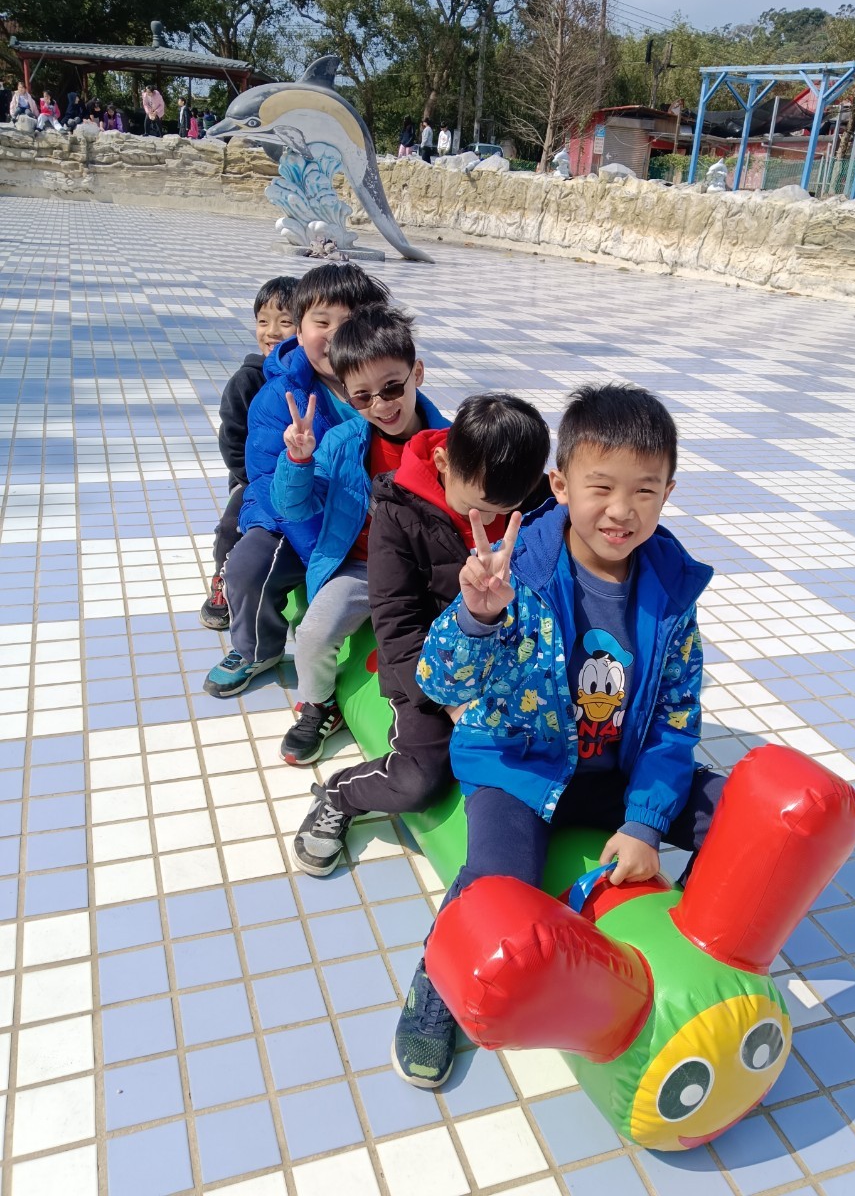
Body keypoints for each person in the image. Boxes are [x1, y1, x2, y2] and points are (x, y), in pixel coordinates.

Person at [392, 383, 726, 1088]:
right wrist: (477, 618)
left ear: (668, 493)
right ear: (560, 485)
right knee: (499, 880)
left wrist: (645, 820)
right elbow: (440, 684)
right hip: (521, 767)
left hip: (615, 772)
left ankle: (698, 944)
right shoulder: (518, 572)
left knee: (733, 816)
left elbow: (675, 719)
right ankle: (438, 980)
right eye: (600, 486)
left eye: (644, 490)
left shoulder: (671, 591)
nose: (621, 510)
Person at [292, 392, 552, 877]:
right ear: (443, 463)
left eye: (505, 508)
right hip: (430, 667)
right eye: (479, 507)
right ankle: (339, 795)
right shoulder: (398, 512)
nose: (491, 521)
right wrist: (446, 699)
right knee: (421, 778)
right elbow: (395, 620)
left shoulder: (531, 499)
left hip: (507, 657)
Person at [270, 304, 448, 766]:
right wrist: (298, 462)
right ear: (349, 398)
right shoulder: (343, 444)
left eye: (392, 388)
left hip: (427, 571)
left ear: (417, 374)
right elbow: (293, 508)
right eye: (364, 397)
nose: (382, 406)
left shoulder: (451, 444)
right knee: (313, 633)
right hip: (362, 568)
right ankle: (318, 705)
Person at [203, 264, 389, 698]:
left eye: (350, 323)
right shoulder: (279, 395)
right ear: (300, 330)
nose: (335, 335)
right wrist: (323, 552)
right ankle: (256, 649)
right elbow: (268, 479)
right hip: (291, 519)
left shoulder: (386, 387)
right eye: (322, 322)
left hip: (362, 522)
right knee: (248, 568)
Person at [199, 276, 298, 630]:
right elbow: (232, 441)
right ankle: (221, 582)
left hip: (296, 478)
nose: (272, 331)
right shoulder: (247, 380)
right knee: (231, 525)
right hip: (251, 478)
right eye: (262, 321)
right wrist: (254, 482)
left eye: (285, 321)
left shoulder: (309, 378)